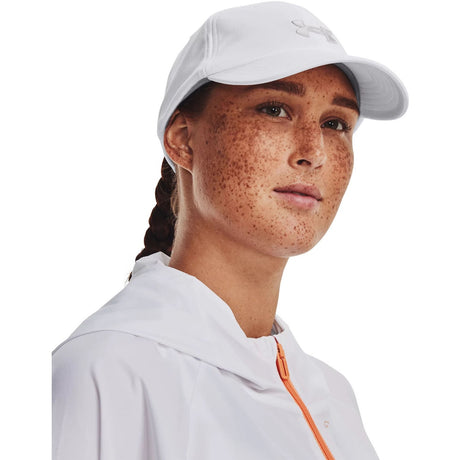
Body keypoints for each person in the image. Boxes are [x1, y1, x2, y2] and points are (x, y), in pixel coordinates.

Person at [52, 2, 408, 459]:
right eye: (275, 109)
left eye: (335, 123)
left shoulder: (334, 397)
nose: (314, 151)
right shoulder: (105, 371)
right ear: (183, 139)